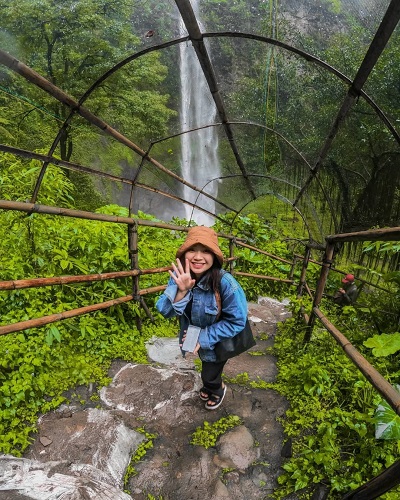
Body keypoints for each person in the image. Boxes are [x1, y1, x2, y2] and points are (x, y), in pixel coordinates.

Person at [156, 226, 248, 410]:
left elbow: (238, 320)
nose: (198, 257)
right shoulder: (180, 277)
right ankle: (211, 386)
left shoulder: (226, 283)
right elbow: (164, 310)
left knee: (209, 373)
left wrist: (203, 337)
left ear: (215, 256)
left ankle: (218, 389)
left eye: (206, 251)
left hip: (218, 339)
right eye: (192, 250)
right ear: (184, 254)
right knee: (206, 365)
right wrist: (182, 291)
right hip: (195, 338)